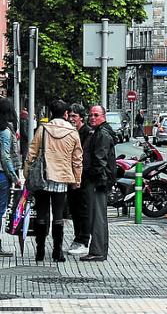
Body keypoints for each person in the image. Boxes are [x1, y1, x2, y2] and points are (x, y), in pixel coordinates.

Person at [24, 99, 82, 262]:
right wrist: (77, 179)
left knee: (41, 213)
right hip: (62, 178)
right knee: (58, 215)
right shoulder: (72, 132)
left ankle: (40, 250)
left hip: (43, 177)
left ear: (50, 113)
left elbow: (31, 153)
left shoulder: (42, 130)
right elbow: (77, 159)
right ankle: (57, 251)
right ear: (65, 114)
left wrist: (27, 174)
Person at [80, 105, 116, 262]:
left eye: (96, 115)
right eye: (91, 115)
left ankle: (97, 251)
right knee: (97, 216)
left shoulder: (102, 134)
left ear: (103, 116)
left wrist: (92, 177)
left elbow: (99, 160)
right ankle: (97, 249)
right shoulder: (99, 132)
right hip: (98, 180)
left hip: (98, 181)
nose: (92, 118)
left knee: (97, 217)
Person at [66, 103, 92, 256]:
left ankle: (84, 240)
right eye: (70, 116)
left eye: (74, 116)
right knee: (74, 210)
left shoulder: (87, 133)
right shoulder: (71, 132)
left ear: (81, 117)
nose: (71, 119)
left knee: (83, 210)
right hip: (71, 176)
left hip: (83, 178)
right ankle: (78, 238)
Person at [0, 97, 21, 257]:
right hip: (1, 175)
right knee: (0, 211)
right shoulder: (4, 131)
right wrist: (15, 177)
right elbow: (5, 157)